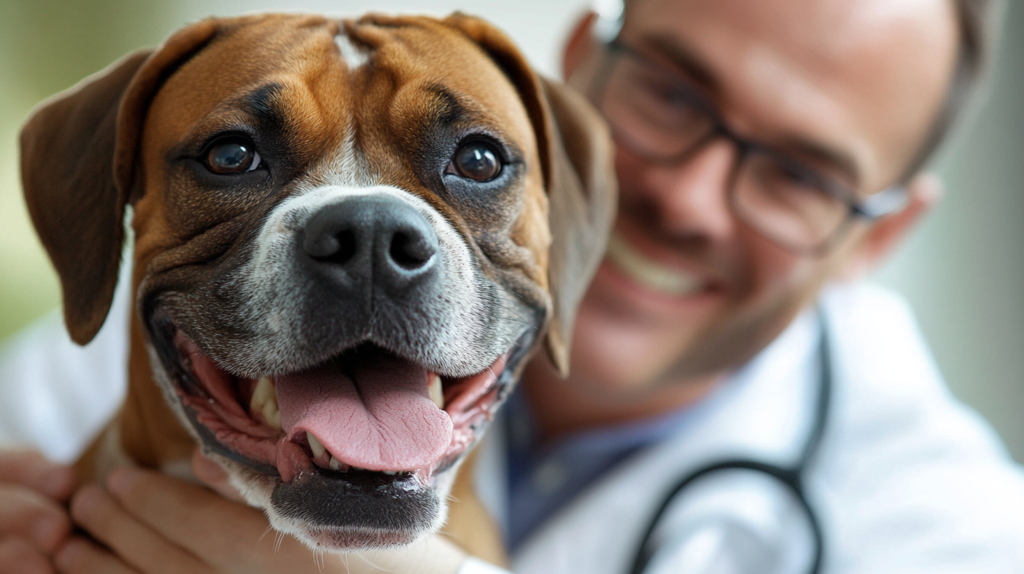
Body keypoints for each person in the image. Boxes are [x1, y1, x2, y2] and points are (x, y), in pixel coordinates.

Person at [2, 0, 1023, 572]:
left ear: (877, 235)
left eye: (801, 174)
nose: (685, 197)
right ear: (577, 66)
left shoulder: (956, 534)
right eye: (233, 155)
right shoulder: (82, 386)